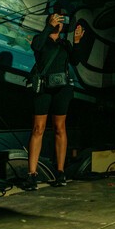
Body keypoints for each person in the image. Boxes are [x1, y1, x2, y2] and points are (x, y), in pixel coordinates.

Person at [20, 11, 85, 191]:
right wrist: (48, 26)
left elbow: (76, 60)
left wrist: (77, 41)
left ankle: (60, 171)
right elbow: (37, 47)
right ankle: (31, 174)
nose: (59, 23)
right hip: (43, 88)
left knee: (60, 128)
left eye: (61, 20)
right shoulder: (40, 39)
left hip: (62, 89)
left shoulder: (64, 43)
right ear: (49, 20)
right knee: (38, 128)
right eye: (56, 19)